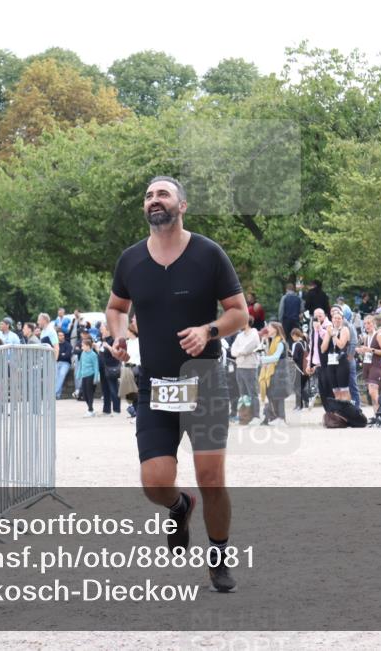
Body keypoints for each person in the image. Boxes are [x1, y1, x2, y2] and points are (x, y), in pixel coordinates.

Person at [105, 175, 247, 593]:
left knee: (212, 478)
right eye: (148, 195)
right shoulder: (131, 260)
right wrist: (117, 335)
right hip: (155, 384)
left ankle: (218, 557)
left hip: (204, 380)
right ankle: (178, 505)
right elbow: (116, 307)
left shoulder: (208, 254)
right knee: (155, 482)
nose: (154, 200)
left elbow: (239, 313)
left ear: (181, 205)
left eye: (163, 194)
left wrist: (209, 331)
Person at [258, 322, 290, 426]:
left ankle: (281, 418)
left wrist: (262, 359)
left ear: (276, 329)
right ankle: (275, 417)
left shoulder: (280, 342)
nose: (268, 329)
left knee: (279, 396)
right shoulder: (272, 341)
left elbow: (276, 357)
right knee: (273, 395)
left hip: (279, 373)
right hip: (275, 372)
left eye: (270, 328)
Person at [230, 319, 261, 424]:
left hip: (250, 366)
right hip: (239, 366)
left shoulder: (254, 334)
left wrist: (239, 351)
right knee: (242, 393)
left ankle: (256, 416)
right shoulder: (239, 335)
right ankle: (245, 415)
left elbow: (248, 348)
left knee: (253, 393)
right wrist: (239, 352)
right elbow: (233, 350)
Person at [357, 315, 381, 413]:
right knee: (372, 393)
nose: (367, 326)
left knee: (373, 391)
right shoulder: (367, 337)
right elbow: (368, 351)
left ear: (374, 324)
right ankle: (377, 414)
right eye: (365, 324)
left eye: (369, 323)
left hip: (376, 366)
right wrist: (362, 351)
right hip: (367, 365)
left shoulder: (379, 335)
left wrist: (371, 350)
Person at [321, 309, 352, 402]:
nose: (337, 320)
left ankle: (347, 412)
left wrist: (333, 335)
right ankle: (339, 414)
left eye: (339, 318)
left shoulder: (344, 329)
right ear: (332, 319)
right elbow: (323, 349)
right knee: (336, 391)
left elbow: (341, 345)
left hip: (342, 362)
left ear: (342, 320)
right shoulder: (329, 331)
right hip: (331, 362)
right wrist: (328, 335)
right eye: (335, 318)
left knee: (344, 391)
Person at [98, 323, 122, 415]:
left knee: (113, 389)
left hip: (111, 367)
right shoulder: (103, 340)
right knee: (105, 389)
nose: (100, 331)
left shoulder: (113, 340)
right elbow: (102, 353)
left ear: (108, 330)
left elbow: (115, 353)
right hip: (103, 367)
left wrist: (107, 346)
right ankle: (106, 410)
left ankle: (116, 409)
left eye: (102, 329)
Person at [77, 338, 100, 417]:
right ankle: (91, 409)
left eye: (83, 346)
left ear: (88, 346)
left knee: (90, 394)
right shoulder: (83, 353)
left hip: (91, 376)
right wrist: (78, 374)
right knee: (84, 394)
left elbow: (96, 367)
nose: (81, 347)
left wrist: (95, 378)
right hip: (84, 376)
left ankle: (90, 410)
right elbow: (81, 364)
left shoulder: (93, 355)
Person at [289, 327, 310, 410]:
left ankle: (302, 403)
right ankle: (303, 403)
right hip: (306, 369)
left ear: (294, 335)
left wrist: (291, 354)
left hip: (299, 369)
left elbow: (295, 358)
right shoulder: (305, 343)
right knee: (301, 387)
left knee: (297, 387)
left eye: (292, 336)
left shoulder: (297, 344)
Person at [54, 332, 73, 399]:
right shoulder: (55, 345)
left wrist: (59, 355)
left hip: (66, 363)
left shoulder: (68, 345)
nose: (60, 337)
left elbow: (67, 356)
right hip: (57, 362)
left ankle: (54, 392)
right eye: (59, 335)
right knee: (56, 376)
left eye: (62, 335)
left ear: (64, 336)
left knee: (61, 374)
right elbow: (54, 355)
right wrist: (62, 354)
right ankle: (57, 395)